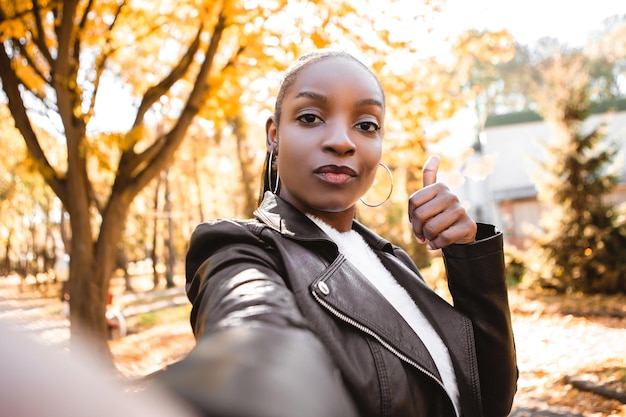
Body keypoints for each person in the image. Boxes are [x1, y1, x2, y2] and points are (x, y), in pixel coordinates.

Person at [155, 50, 517, 417]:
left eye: (366, 125)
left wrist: (468, 255)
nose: (343, 142)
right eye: (311, 117)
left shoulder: (394, 261)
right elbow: (251, 337)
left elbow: (491, 398)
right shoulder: (239, 248)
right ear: (274, 135)